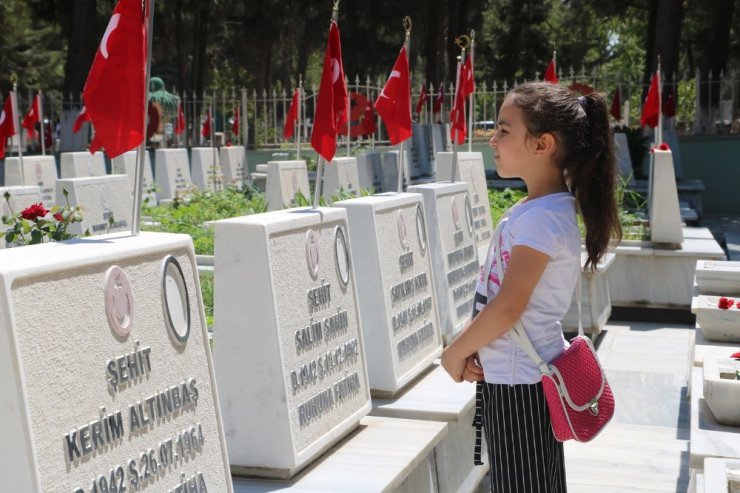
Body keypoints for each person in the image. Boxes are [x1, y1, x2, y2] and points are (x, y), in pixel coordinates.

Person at [441, 82, 622, 493]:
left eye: (504, 130)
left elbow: (508, 307)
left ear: (542, 145)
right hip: (514, 376)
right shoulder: (536, 209)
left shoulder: (542, 219)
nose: (493, 139)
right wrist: (474, 347)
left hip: (524, 385)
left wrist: (453, 353)